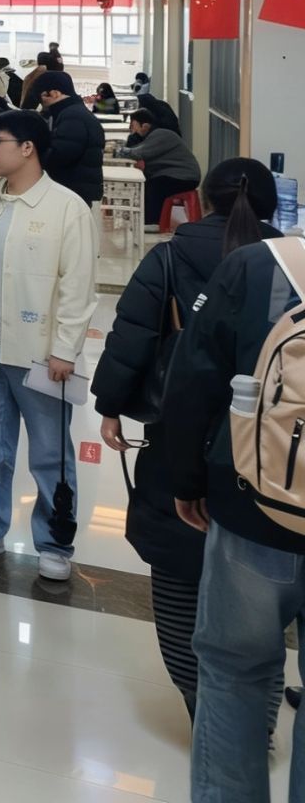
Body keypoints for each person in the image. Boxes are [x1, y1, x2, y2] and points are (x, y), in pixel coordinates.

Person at [94, 160, 281, 721]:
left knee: (177, 571)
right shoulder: (289, 261)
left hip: (181, 431)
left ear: (205, 199)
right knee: (261, 588)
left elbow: (131, 333)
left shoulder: (171, 256)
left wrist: (110, 406)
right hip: (269, 446)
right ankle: (255, 715)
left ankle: (201, 701)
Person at [164, 227, 305, 798]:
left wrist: (188, 482)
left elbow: (192, 381)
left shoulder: (259, 266)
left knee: (232, 676)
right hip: (253, 508)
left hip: (256, 507)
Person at [0, 109, 99, 582]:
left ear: (28, 148)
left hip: (39, 351)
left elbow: (78, 285)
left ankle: (54, 543)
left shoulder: (67, 207)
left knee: (50, 452)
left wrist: (65, 348)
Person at [117, 107, 204, 225]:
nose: (132, 129)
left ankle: (152, 223)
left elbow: (140, 152)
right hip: (174, 174)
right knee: (149, 184)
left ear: (145, 126)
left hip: (184, 176)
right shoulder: (154, 136)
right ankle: (147, 219)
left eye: (134, 126)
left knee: (154, 187)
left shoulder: (161, 135)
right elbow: (137, 149)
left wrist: (118, 150)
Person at [33, 70, 105, 204]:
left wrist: (34, 156)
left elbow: (61, 155)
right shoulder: (75, 112)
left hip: (74, 192)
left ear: (55, 93)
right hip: (78, 190)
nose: (42, 103)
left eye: (42, 97)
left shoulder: (72, 116)